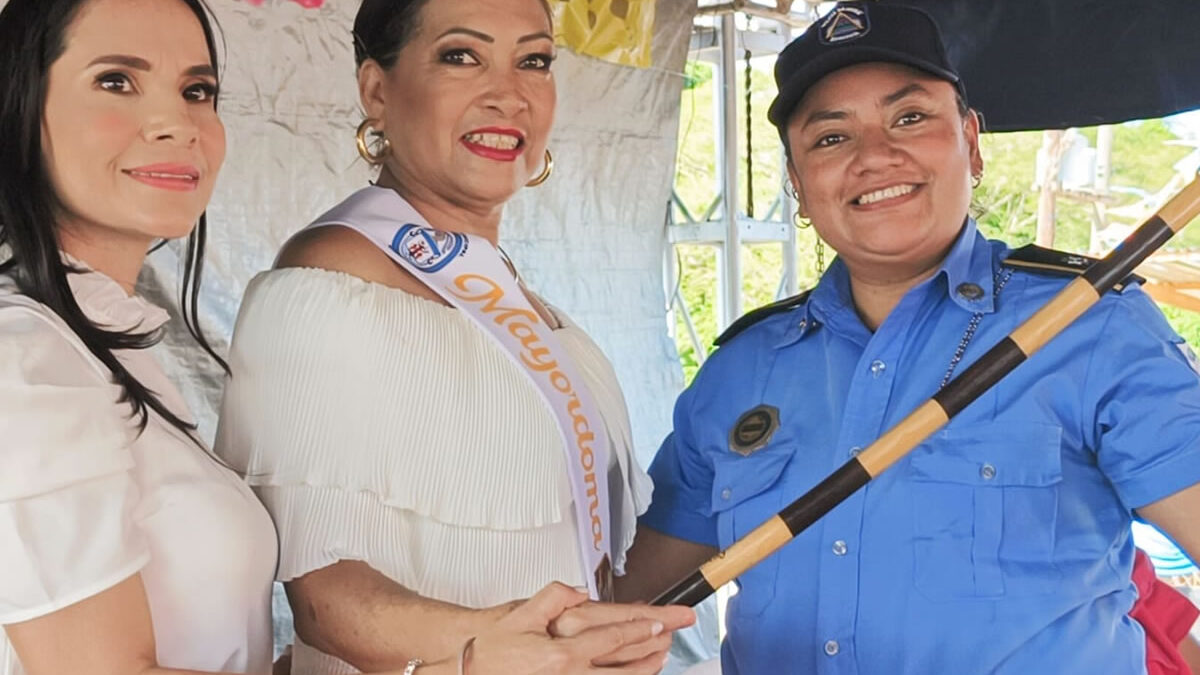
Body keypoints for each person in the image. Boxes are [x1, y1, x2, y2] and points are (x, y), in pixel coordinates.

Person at [617, 2, 1200, 673]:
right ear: (799, 188)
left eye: (910, 117)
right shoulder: (743, 370)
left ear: (973, 144)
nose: (875, 155)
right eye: (832, 138)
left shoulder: (1091, 327)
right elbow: (629, 601)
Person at [213, 0, 694, 673]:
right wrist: (501, 646)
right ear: (377, 91)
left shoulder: (548, 321)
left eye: (534, 61)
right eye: (461, 56)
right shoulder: (328, 284)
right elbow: (327, 597)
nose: (509, 94)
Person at [0, 0, 278, 672]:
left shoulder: (91, 342)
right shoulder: (26, 361)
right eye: (117, 81)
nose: (176, 123)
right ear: (19, 105)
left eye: (197, 90)